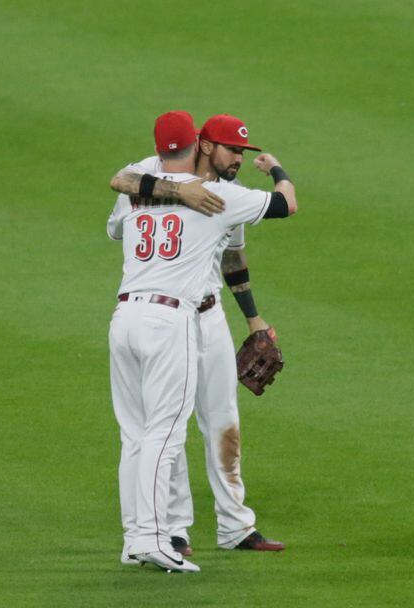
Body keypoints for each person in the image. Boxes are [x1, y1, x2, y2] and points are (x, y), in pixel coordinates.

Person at [107, 111, 298, 572]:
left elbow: (120, 202)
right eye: (232, 149)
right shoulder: (221, 195)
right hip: (173, 316)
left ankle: (152, 534)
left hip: (132, 313)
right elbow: (286, 204)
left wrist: (253, 320)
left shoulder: (142, 183)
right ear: (201, 145)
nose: (237, 157)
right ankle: (161, 532)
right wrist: (275, 169)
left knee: (147, 431)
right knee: (164, 431)